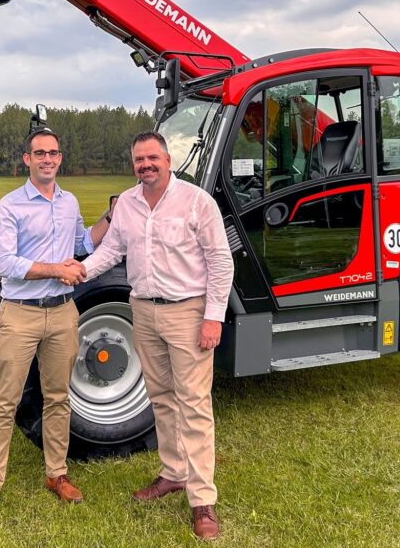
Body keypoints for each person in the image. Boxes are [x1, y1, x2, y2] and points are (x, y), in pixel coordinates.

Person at [79, 131, 233, 541]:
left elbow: (220, 260)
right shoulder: (127, 203)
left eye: (152, 158)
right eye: (138, 159)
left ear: (168, 160)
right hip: (143, 312)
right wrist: (78, 271)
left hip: (187, 312)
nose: (145, 165)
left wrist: (213, 317)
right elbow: (111, 250)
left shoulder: (197, 201)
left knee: (194, 405)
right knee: (161, 397)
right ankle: (173, 473)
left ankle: (203, 501)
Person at [0, 127, 108, 520]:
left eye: (53, 153)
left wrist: (111, 216)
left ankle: (57, 474)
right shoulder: (9, 206)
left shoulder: (69, 202)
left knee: (58, 398)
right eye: (40, 154)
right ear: (27, 160)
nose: (47, 159)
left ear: (60, 158)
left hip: (63, 313)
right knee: (4, 401)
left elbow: (83, 243)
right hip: (20, 313)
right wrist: (55, 270)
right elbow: (4, 264)